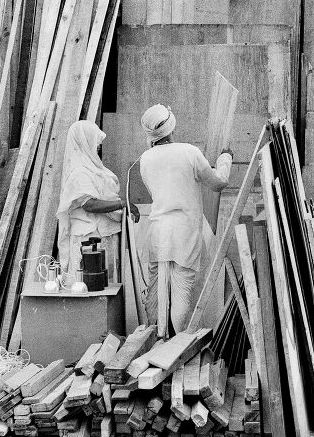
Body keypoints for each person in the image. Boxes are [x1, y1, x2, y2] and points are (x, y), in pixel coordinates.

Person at [138, 104, 232, 335]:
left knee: (156, 291)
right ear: (172, 126)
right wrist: (225, 159)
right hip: (184, 231)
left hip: (158, 230)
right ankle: (180, 342)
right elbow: (218, 183)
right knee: (182, 291)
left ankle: (156, 339)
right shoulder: (189, 152)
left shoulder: (146, 158)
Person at [56, 121, 133, 284]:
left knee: (107, 285)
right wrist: (121, 204)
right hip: (89, 238)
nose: (98, 145)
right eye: (95, 141)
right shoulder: (80, 173)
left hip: (104, 235)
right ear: (84, 142)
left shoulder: (95, 170)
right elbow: (89, 204)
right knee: (88, 286)